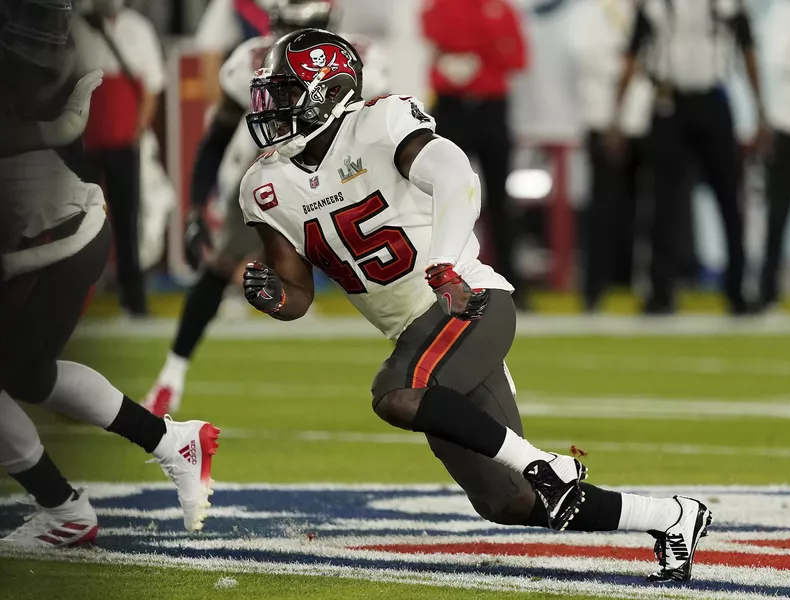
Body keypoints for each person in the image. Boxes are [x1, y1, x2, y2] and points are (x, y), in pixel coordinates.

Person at [237, 28, 712, 582]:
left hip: (468, 301)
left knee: (395, 395)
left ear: (330, 89)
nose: (274, 109)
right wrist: (273, 297)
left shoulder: (379, 124)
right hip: (421, 335)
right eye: (270, 94)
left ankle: (545, 462)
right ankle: (673, 516)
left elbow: (456, 173)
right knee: (508, 502)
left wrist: (442, 264)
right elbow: (297, 296)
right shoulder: (265, 185)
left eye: (287, 93)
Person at [0, 3, 218, 547]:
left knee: (16, 371)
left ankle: (64, 509)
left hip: (62, 236)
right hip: (57, 230)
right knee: (26, 374)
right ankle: (169, 441)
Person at [142, 0, 389, 417]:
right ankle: (171, 376)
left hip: (340, 178)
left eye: (299, 32)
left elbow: (380, 132)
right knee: (221, 265)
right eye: (283, 29)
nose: (286, 43)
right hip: (270, 174)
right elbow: (219, 134)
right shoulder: (252, 62)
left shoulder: (359, 60)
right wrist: (197, 207)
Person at [609, 0, 768, 315]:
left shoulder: (729, 5)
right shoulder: (654, 6)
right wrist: (618, 116)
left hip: (713, 100)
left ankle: (737, 290)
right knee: (663, 203)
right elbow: (632, 55)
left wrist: (760, 111)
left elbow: (748, 52)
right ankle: (661, 292)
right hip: (669, 102)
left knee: (729, 198)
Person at [421, 0, 528, 308]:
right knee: (441, 200)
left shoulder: (502, 9)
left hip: (491, 109)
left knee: (501, 201)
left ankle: (511, 284)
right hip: (453, 107)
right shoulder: (443, 6)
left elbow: (518, 58)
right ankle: (438, 281)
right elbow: (440, 35)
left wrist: (470, 48)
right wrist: (488, 45)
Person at [70, 0, 166, 316]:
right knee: (79, 223)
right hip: (85, 142)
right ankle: (75, 300)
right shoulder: (77, 29)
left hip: (124, 141)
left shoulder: (137, 28)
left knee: (127, 222)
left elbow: (152, 85)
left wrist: (138, 128)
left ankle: (133, 299)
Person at [566, 0, 654, 312]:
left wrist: (628, 62)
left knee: (648, 209)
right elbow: (583, 55)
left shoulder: (649, 10)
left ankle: (637, 284)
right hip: (602, 119)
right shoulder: (591, 11)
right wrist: (627, 63)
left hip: (645, 118)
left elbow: (657, 59)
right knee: (602, 208)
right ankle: (595, 289)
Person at [759, 0, 790, 312]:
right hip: (788, 126)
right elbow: (777, 60)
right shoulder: (783, 13)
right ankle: (767, 290)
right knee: (777, 215)